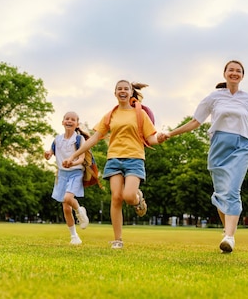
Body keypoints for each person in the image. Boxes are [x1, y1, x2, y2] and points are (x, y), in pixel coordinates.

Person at [158, 60, 248, 253]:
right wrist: (170, 134)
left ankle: (229, 237)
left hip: (241, 147)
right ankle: (227, 232)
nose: (234, 73)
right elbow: (195, 122)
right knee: (220, 195)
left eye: (238, 71)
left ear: (242, 76)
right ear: (225, 74)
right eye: (231, 70)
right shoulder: (213, 97)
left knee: (232, 191)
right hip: (218, 147)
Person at [63, 80, 161, 249]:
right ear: (115, 93)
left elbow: (151, 138)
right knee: (116, 197)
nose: (122, 91)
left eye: (126, 89)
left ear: (131, 93)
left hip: (135, 158)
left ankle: (138, 198)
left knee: (128, 196)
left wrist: (160, 138)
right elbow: (94, 138)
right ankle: (118, 239)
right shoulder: (110, 115)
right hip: (114, 159)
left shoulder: (140, 114)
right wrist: (74, 155)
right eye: (119, 89)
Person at [44, 111, 90, 246]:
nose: (69, 121)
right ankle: (74, 236)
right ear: (63, 122)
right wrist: (47, 154)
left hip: (75, 172)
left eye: (73, 119)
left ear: (77, 124)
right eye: (67, 119)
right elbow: (50, 153)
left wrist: (72, 162)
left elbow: (82, 159)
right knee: (65, 208)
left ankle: (80, 211)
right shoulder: (57, 140)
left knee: (68, 198)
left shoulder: (79, 139)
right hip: (62, 175)